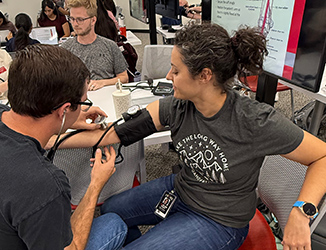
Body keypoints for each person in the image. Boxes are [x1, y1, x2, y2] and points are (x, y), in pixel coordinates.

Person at [54, 22, 326, 250]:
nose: (168, 76)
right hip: (181, 191)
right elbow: (111, 134)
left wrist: (301, 212)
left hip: (220, 220)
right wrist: (50, 138)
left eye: (176, 70)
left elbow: (322, 156)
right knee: (112, 208)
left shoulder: (253, 120)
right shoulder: (177, 106)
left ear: (205, 75)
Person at [0, 44, 127, 249]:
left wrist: (71, 120)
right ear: (64, 109)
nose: (84, 107)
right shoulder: (45, 186)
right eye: (83, 103)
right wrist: (95, 186)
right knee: (115, 223)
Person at [61, 0, 128, 91]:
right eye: (72, 19)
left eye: (80, 19)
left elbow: (124, 78)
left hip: (106, 98)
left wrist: (103, 82)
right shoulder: (65, 49)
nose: (75, 24)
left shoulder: (110, 46)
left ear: (93, 20)